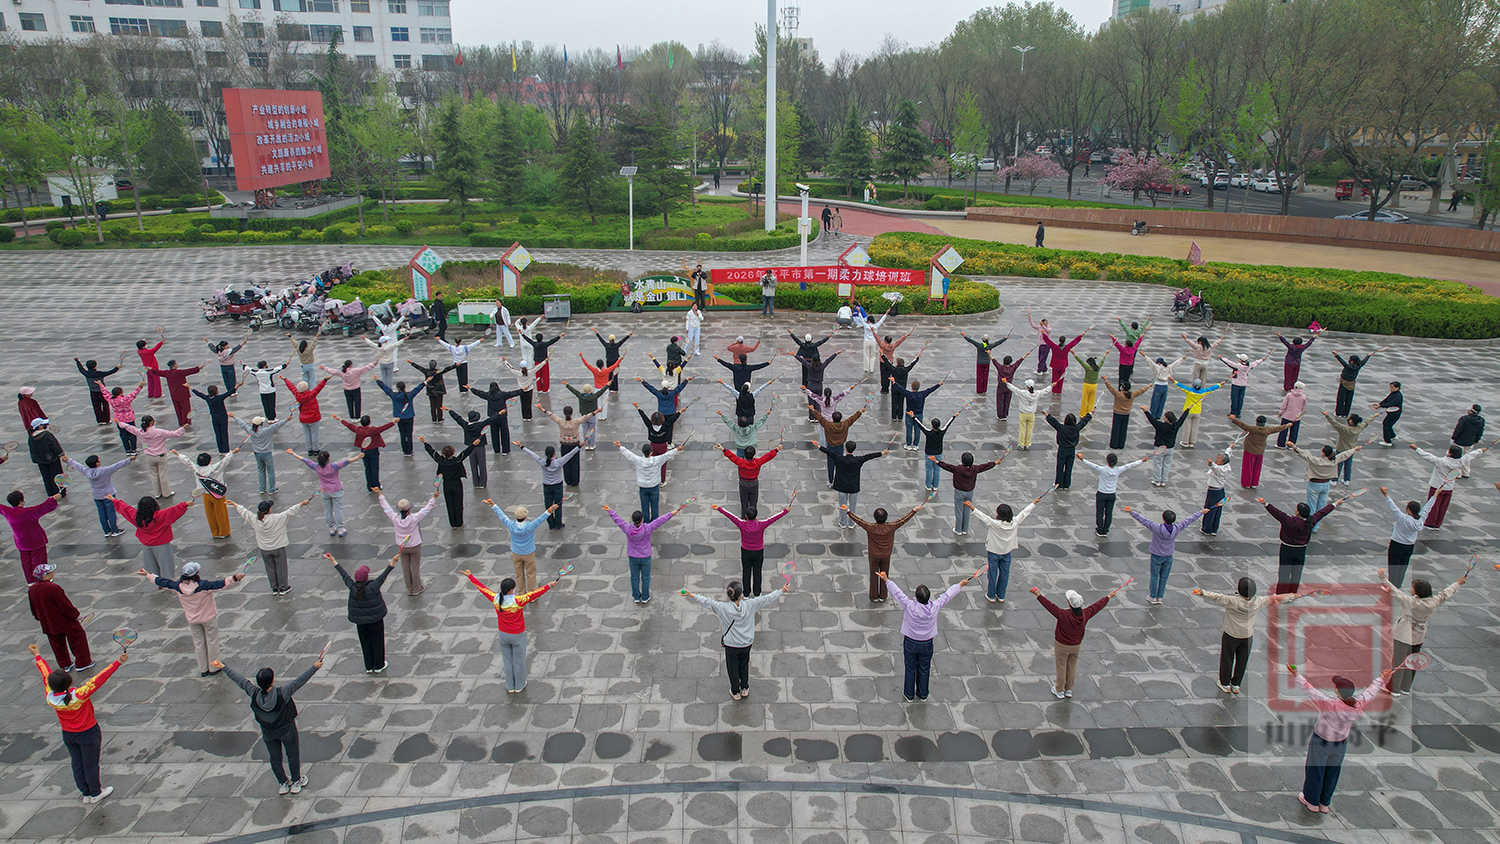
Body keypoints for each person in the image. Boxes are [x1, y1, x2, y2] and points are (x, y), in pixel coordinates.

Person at [27, 642, 126, 805]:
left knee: (77, 763)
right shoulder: (79, 695)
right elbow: (98, 680)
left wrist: (38, 656)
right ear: (69, 682)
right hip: (88, 733)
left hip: (68, 734)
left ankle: (85, 793)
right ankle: (96, 792)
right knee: (91, 764)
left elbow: (45, 673)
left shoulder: (50, 696)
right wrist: (118, 662)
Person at [1287, 663, 1390, 814]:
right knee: (1332, 772)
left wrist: (1296, 675)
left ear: (1337, 691)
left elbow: (1310, 689)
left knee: (1315, 770)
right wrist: (1381, 678)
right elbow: (1370, 692)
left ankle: (1311, 802)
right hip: (1340, 745)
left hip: (1321, 742)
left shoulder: (1329, 704)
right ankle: (1324, 803)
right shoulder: (1358, 704)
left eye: (1335, 686)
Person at [214, 654, 322, 795]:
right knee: (292, 754)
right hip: (287, 730)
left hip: (268, 732)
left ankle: (283, 783)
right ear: (272, 681)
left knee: (275, 758)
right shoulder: (282, 693)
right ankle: (296, 781)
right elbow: (299, 681)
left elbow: (240, 680)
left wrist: (224, 667)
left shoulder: (254, 693)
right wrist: (314, 667)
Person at [1192, 578, 1304, 694]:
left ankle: (1225, 684)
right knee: (1242, 661)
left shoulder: (1232, 601)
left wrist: (1203, 592)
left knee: (1227, 659)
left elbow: (1217, 597)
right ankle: (1236, 685)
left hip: (1231, 635)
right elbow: (1276, 598)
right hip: (1247, 636)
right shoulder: (1258, 602)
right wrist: (1292, 595)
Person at [683, 579, 788, 700]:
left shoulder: (722, 608)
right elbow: (767, 599)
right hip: (747, 643)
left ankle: (735, 692)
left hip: (731, 645)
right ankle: (744, 688)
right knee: (744, 665)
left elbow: (707, 602)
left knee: (732, 668)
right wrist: (781, 590)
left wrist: (690, 594)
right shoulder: (750, 605)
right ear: (741, 594)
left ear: (729, 595)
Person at [464, 568, 563, 693]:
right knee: (518, 661)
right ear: (511, 590)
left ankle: (510, 686)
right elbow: (535, 594)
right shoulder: (518, 601)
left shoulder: (495, 599)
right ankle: (519, 685)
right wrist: (549, 585)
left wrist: (470, 576)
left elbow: (482, 588)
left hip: (503, 634)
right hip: (517, 635)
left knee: (507, 661)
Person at [882, 570, 976, 701]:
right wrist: (960, 585)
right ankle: (923, 694)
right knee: (924, 668)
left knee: (910, 668)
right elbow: (947, 595)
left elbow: (898, 594)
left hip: (910, 641)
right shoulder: (935, 607)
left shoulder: (910, 606)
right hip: (927, 643)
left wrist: (887, 580)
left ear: (916, 597)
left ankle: (909, 694)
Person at [139, 561, 244, 676]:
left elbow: (162, 581)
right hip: (208, 618)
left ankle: (203, 669)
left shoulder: (178, 587)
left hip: (192, 620)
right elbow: (221, 584)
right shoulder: (203, 586)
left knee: (199, 643)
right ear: (196, 574)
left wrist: (148, 575)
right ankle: (214, 667)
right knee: (212, 641)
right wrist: (235, 578)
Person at [1032, 581, 1127, 699]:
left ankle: (1059, 690)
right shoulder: (1085, 614)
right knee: (1071, 667)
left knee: (1061, 667)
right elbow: (1097, 606)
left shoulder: (1062, 614)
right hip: (1076, 646)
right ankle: (1068, 689)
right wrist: (1108, 597)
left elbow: (1050, 606)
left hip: (1061, 645)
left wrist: (1038, 594)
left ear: (1069, 603)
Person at [1380, 569, 1464, 696]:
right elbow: (1446, 593)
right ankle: (1406, 688)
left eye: (1412, 587)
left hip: (1404, 635)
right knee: (1412, 661)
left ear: (1418, 592)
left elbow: (1396, 592)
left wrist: (1383, 578)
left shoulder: (1411, 602)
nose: (1411, 589)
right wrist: (1458, 583)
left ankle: (1394, 688)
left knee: (1398, 662)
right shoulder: (1433, 601)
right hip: (1419, 635)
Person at [967, 486, 1053, 602]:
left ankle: (991, 595)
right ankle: (1001, 595)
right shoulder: (1015, 522)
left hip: (993, 552)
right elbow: (1024, 513)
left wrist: (971, 507)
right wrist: (1033, 503)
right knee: (1004, 574)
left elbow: (983, 517)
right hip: (1006, 552)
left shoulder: (994, 524)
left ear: (999, 515)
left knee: (992, 574)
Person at [1258, 494, 1354, 593]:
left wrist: (1265, 503)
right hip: (1301, 551)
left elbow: (1276, 513)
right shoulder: (1310, 521)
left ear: (1298, 512)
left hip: (1286, 550)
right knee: (1296, 574)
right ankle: (1292, 593)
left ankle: (1280, 594)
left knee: (1284, 574)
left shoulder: (1288, 520)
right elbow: (1322, 512)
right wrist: (1335, 504)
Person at [326, 551, 399, 673]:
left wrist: (334, 561)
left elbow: (344, 575)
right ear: (366, 578)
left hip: (360, 622)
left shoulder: (352, 587)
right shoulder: (373, 586)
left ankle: (369, 666)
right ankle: (379, 665)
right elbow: (384, 575)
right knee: (377, 642)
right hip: (375, 620)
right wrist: (393, 562)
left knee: (365, 642)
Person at [1124, 504, 1208, 604]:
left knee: (1154, 576)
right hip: (1168, 556)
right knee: (1164, 577)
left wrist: (1131, 512)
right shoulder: (1177, 528)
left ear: (1163, 519)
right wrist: (1200, 512)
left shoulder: (1157, 528)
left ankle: (1152, 596)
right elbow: (1188, 520)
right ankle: (1160, 597)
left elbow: (1144, 520)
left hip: (1156, 555)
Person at [608, 500, 689, 603]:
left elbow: (618, 520)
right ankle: (645, 597)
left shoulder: (628, 529)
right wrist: (672, 513)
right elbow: (659, 521)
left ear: (633, 520)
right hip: (645, 557)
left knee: (634, 578)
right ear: (642, 519)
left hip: (633, 557)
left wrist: (610, 511)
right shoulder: (647, 528)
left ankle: (636, 597)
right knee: (646, 578)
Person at [229, 497, 313, 595]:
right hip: (278, 548)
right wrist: (302, 503)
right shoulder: (278, 518)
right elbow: (291, 511)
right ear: (269, 510)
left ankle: (274, 588)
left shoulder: (255, 519)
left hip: (264, 549)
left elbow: (244, 512)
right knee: (281, 568)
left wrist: (235, 504)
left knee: (270, 569)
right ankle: (283, 587)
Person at [714, 500, 791, 598]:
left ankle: (746, 594)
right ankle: (757, 594)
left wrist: (719, 509)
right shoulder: (761, 524)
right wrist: (785, 511)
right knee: (757, 572)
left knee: (746, 572)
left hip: (745, 552)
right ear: (756, 516)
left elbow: (731, 516)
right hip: (758, 552)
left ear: (746, 516)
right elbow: (774, 518)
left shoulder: (741, 524)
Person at [111, 494, 193, 578]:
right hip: (162, 545)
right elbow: (173, 510)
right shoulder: (160, 516)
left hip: (146, 545)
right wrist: (185, 504)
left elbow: (126, 509)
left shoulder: (137, 517)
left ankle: (156, 582)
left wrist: (115, 501)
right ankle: (167, 583)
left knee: (151, 569)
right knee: (166, 568)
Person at [377, 486, 440, 595]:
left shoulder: (395, 518)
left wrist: (380, 495)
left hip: (402, 546)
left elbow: (387, 508)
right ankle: (417, 588)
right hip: (415, 545)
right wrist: (434, 498)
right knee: (415, 567)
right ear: (409, 509)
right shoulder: (414, 518)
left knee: (405, 567)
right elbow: (426, 509)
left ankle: (409, 588)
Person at [29, 564, 93, 672]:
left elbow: (33, 607)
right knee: (78, 638)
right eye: (51, 572)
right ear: (46, 575)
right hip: (64, 620)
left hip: (47, 622)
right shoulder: (53, 588)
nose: (53, 573)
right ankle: (83, 663)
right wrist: (75, 615)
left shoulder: (32, 589)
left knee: (57, 644)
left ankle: (65, 665)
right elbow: (64, 605)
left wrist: (39, 618)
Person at [1411, 442, 1490, 528]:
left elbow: (1427, 456)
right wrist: (1482, 450)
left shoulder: (1440, 461)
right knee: (1443, 507)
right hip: (1449, 488)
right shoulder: (1461, 461)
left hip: (1436, 487)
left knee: (1433, 505)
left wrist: (1416, 448)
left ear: (1449, 454)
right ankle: (1437, 523)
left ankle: (1430, 523)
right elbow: (1472, 454)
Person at [486, 499, 557, 591]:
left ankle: (521, 592)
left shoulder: (511, 525)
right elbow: (540, 519)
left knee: (519, 574)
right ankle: (531, 593)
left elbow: (502, 516)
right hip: (528, 553)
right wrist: (550, 510)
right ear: (525, 516)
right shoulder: (530, 526)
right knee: (531, 574)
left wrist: (493, 505)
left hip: (516, 553)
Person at [817, 440, 890, 528]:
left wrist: (819, 446)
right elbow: (870, 456)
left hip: (842, 487)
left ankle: (843, 523)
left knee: (842, 506)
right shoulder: (858, 460)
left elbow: (829, 452)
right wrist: (882, 453)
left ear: (846, 448)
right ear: (854, 449)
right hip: (853, 487)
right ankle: (851, 523)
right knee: (852, 507)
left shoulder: (839, 458)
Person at [1290, 443, 1362, 530]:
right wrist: (1354, 449)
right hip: (1326, 485)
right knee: (1321, 508)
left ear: (1323, 453)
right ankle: (1316, 527)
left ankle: (1309, 526)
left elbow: (1304, 454)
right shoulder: (1334, 460)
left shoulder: (1316, 461)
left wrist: (1294, 447)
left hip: (1314, 485)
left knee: (1312, 507)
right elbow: (1344, 455)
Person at [1080, 451, 1151, 536]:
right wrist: (1141, 460)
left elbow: (1092, 465)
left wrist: (1082, 459)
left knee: (1100, 513)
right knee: (1109, 513)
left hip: (1101, 494)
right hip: (1111, 494)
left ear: (1107, 460)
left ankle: (1100, 530)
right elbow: (1129, 465)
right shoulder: (1118, 470)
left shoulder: (1102, 469)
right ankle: (1105, 530)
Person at [290, 449, 359, 536]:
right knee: (338, 510)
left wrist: (293, 453)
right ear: (328, 458)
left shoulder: (316, 467)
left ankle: (332, 528)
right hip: (336, 490)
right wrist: (359, 456)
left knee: (327, 511)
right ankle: (340, 529)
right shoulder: (334, 466)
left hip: (325, 491)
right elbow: (347, 461)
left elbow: (305, 460)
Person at [172, 449, 237, 539]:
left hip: (205, 494)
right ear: (210, 461)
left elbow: (187, 462)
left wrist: (177, 454)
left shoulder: (196, 469)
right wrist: (232, 452)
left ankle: (215, 532)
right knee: (221, 513)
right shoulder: (216, 468)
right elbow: (225, 461)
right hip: (217, 494)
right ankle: (223, 532)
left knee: (210, 514)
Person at [1379, 486, 1436, 588]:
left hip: (1396, 545)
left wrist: (1385, 494)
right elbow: (1427, 508)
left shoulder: (1402, 518)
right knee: (1403, 567)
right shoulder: (1420, 520)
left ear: (1409, 510)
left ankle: (1392, 586)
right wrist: (1435, 495)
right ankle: (1398, 585)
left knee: (1393, 566)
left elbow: (1393, 507)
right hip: (1409, 547)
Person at [119, 415, 189, 498]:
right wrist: (183, 428)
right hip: (161, 456)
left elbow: (130, 428)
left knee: (153, 476)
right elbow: (174, 434)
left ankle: (157, 494)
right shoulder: (159, 432)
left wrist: (120, 423)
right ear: (151, 422)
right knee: (163, 475)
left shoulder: (141, 432)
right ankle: (166, 493)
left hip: (149, 457)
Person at [64, 454, 133, 537]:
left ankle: (106, 531)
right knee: (111, 513)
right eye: (98, 459)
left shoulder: (87, 471)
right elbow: (117, 465)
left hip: (96, 496)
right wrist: (129, 459)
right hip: (108, 495)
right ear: (97, 463)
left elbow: (78, 465)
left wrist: (68, 460)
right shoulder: (105, 470)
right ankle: (115, 530)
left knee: (101, 513)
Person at [1, 489, 62, 583]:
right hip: (36, 542)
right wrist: (54, 498)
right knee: (39, 563)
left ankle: (31, 582)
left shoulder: (8, 512)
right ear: (21, 501)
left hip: (21, 543)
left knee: (26, 564)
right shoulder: (29, 512)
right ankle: (41, 582)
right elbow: (43, 507)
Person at [936, 451, 1003, 535]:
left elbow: (947, 466)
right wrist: (995, 463)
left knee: (959, 511)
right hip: (969, 492)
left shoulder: (958, 469)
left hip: (959, 492)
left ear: (962, 461)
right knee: (967, 511)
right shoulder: (975, 469)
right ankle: (965, 529)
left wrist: (937, 462)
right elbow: (985, 466)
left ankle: (958, 530)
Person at [617, 441, 684, 521]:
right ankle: (654, 522)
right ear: (651, 452)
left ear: (643, 452)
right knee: (654, 506)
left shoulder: (638, 460)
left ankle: (646, 522)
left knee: (644, 507)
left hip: (643, 488)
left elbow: (629, 455)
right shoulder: (657, 460)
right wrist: (677, 449)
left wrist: (620, 447)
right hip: (654, 487)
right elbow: (667, 455)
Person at [421, 437, 480, 527]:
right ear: (453, 452)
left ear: (443, 453)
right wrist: (473, 444)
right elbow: (465, 453)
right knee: (458, 503)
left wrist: (425, 443)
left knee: (449, 504)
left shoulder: (441, 461)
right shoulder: (457, 460)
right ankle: (459, 522)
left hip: (447, 484)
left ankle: (452, 523)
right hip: (457, 483)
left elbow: (432, 452)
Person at [334, 413, 396, 491]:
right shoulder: (373, 430)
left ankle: (369, 486)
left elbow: (349, 425)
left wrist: (340, 419)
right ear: (369, 422)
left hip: (364, 451)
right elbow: (383, 428)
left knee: (367, 468)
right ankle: (376, 485)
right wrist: (393, 422)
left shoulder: (358, 430)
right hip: (373, 451)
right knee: (374, 468)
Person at [720, 441, 781, 518]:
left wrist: (723, 449)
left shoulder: (741, 462)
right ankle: (752, 517)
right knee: (753, 502)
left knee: (744, 502)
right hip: (754, 483)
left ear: (744, 454)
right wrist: (776, 449)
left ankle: (743, 517)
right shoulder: (758, 462)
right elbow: (767, 456)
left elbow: (732, 457)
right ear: (754, 454)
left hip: (743, 483)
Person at [233, 414, 291, 494]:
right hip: (267, 453)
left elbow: (243, 424)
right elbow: (277, 425)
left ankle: (262, 488)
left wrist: (235, 417)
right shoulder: (267, 430)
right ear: (261, 424)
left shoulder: (250, 431)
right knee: (270, 471)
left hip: (257, 453)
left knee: (261, 471)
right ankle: (272, 489)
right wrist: (286, 419)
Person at [445, 407, 501, 482]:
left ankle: (476, 482)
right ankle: (482, 483)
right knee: (482, 466)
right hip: (480, 447)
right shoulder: (481, 424)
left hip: (470, 448)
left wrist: (450, 411)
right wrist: (499, 413)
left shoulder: (465, 425)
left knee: (473, 466)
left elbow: (458, 418)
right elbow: (491, 419)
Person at [1097, 374, 1150, 450]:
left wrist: (1105, 380)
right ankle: (1121, 444)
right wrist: (1148, 386)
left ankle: (1114, 444)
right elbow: (1141, 391)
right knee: (1123, 430)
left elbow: (1110, 388)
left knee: (1116, 429)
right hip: (1126, 414)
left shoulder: (1118, 394)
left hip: (1117, 413)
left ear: (1122, 387)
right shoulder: (1132, 394)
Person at [1330, 346, 1384, 416]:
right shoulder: (1359, 366)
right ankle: (1345, 414)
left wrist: (1336, 355)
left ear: (1352, 361)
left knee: (1340, 399)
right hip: (1352, 385)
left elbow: (1342, 362)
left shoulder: (1349, 367)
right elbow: (1364, 361)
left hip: (1344, 384)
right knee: (1348, 400)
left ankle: (1338, 413)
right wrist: (1368, 355)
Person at [375, 380, 425, 456]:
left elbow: (386, 389)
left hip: (399, 418)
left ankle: (405, 451)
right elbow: (417, 389)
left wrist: (378, 382)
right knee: (409, 434)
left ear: (398, 388)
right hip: (409, 417)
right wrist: (425, 382)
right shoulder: (409, 395)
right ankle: (410, 450)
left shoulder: (394, 396)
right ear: (405, 387)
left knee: (402, 434)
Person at [1140, 409, 1188, 486]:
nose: (1163, 417)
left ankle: (1157, 480)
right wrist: (1187, 410)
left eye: (1164, 416)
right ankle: (1164, 481)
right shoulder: (1176, 425)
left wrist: (1146, 411)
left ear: (1167, 419)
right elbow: (1182, 418)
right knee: (1167, 465)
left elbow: (1152, 420)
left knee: (1157, 464)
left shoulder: (1160, 425)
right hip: (1170, 448)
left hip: (1160, 448)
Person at [1045, 412, 1092, 489]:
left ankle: (1059, 483)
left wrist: (1048, 415)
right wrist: (1089, 415)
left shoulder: (1061, 428)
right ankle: (1067, 483)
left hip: (1062, 449)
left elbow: (1054, 422)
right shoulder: (1076, 428)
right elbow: (1083, 422)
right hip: (1071, 450)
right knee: (1069, 468)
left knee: (1060, 467)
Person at [891, 377, 943, 448]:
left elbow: (901, 389)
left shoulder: (908, 394)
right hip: (919, 414)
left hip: (909, 414)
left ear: (912, 387)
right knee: (917, 430)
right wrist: (939, 384)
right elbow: (930, 390)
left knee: (909, 430)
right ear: (919, 387)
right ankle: (915, 445)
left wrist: (894, 382)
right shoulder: (922, 394)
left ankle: (908, 444)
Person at [149, 361, 203, 427]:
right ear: (174, 365)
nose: (177, 364)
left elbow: (158, 372)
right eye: (176, 363)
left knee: (178, 409)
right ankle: (186, 423)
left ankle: (181, 422)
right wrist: (199, 368)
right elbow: (190, 371)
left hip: (174, 395)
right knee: (186, 409)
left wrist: (151, 369)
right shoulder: (180, 372)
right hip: (183, 394)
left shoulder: (167, 373)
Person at [1172, 379, 1222, 448]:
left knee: (1187, 427)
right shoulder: (1203, 392)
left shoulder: (1189, 391)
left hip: (1188, 411)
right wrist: (1220, 384)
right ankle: (1192, 442)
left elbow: (1181, 386)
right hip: (1197, 412)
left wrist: (1173, 381)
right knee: (1194, 428)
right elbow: (1212, 388)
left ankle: (1185, 442)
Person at [1217, 353, 1269, 418]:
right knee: (1240, 399)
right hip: (1243, 385)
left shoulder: (1238, 366)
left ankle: (1233, 413)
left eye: (1239, 359)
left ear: (1241, 360)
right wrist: (1262, 359)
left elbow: (1229, 362)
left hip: (1236, 385)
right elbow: (1256, 363)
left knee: (1234, 399)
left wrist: (1221, 358)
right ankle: (1238, 413)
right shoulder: (1249, 366)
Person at [191, 384, 238, 454]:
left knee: (218, 434)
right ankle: (226, 449)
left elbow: (200, 394)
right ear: (216, 391)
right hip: (222, 418)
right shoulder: (219, 398)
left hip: (214, 418)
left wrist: (190, 388)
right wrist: (237, 386)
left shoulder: (207, 398)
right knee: (224, 433)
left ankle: (220, 450)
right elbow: (229, 393)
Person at [1003, 377, 1048, 449]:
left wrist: (1006, 383)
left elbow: (1014, 389)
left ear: (1027, 386)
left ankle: (1021, 444)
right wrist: (1051, 386)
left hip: (1023, 414)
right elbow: (1045, 391)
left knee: (1022, 430)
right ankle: (1027, 444)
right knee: (1030, 430)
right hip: (1032, 414)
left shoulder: (1022, 393)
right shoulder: (1037, 393)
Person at [561, 384, 609, 450]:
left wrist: (567, 385)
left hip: (583, 417)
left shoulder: (580, 396)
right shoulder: (594, 396)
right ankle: (592, 445)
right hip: (592, 416)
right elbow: (601, 391)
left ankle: (586, 445)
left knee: (585, 431)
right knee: (592, 431)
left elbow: (574, 391)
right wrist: (607, 385)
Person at [74, 357, 120, 425]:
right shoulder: (99, 373)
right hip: (102, 392)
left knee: (96, 406)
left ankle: (100, 421)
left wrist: (77, 361)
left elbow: (81, 369)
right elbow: (110, 372)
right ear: (95, 366)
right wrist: (117, 368)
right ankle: (107, 420)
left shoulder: (86, 373)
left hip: (93, 392)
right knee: (105, 405)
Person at [408, 359, 457, 424]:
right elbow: (447, 369)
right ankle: (440, 419)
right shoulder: (438, 372)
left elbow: (419, 367)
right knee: (439, 405)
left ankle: (434, 419)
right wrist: (455, 365)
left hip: (430, 391)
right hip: (439, 391)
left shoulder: (426, 371)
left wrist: (412, 363)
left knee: (432, 406)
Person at [28, 417, 67, 498]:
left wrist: (36, 460)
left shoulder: (31, 437)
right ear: (39, 426)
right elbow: (55, 445)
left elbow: (32, 450)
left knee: (46, 477)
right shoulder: (47, 435)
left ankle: (50, 493)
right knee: (58, 475)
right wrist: (61, 455)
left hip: (41, 461)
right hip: (52, 459)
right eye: (43, 424)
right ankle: (61, 492)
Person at [521, 324, 563, 393]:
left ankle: (539, 389)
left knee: (538, 375)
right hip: (544, 362)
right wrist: (559, 336)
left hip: (537, 362)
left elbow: (528, 340)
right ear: (542, 338)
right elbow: (552, 341)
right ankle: (545, 389)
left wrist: (522, 334)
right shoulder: (545, 344)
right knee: (545, 376)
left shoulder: (534, 344)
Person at [106, 381, 145, 453]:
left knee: (123, 434)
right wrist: (140, 386)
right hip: (129, 418)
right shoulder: (125, 399)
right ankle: (133, 449)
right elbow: (134, 394)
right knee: (132, 433)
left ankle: (127, 449)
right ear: (121, 393)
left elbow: (105, 393)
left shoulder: (111, 400)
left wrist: (100, 385)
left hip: (119, 420)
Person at [1451, 404, 1486, 476]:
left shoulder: (1464, 419)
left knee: (1457, 458)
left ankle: (1458, 474)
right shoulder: (1481, 420)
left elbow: (1458, 429)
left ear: (1471, 411)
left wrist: (1453, 438)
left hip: (1459, 441)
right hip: (1470, 442)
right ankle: (1466, 472)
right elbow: (1480, 432)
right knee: (1467, 457)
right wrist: (1476, 440)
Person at [1071, 351, 1108, 416]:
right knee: (1091, 401)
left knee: (1084, 400)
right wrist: (1105, 354)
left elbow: (1081, 362)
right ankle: (1089, 414)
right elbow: (1102, 361)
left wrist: (1074, 354)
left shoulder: (1088, 368)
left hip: (1087, 385)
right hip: (1094, 386)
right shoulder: (1098, 367)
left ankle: (1083, 414)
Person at [858, 308, 892, 374]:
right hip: (873, 342)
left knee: (866, 355)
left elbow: (861, 319)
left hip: (866, 341)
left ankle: (866, 368)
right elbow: (881, 320)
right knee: (872, 356)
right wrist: (886, 313)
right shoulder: (876, 325)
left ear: (868, 320)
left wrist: (859, 312)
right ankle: (871, 369)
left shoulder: (866, 325)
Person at [136, 328, 166, 398]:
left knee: (150, 382)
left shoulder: (139, 351)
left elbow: (143, 346)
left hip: (147, 368)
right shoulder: (149, 352)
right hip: (154, 368)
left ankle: (151, 394)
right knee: (156, 382)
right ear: (143, 346)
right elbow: (157, 347)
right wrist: (161, 338)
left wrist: (143, 341)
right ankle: (158, 395)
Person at [1373, 381, 1404, 446]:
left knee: (1386, 424)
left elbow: (1390, 403)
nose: (1390, 389)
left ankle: (1388, 441)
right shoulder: (1393, 393)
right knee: (1388, 424)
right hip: (1391, 412)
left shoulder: (1398, 396)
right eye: (1390, 387)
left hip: (1395, 413)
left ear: (1397, 388)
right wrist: (1379, 404)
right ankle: (1393, 436)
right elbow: (1386, 399)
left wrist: (1380, 406)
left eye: (1392, 387)